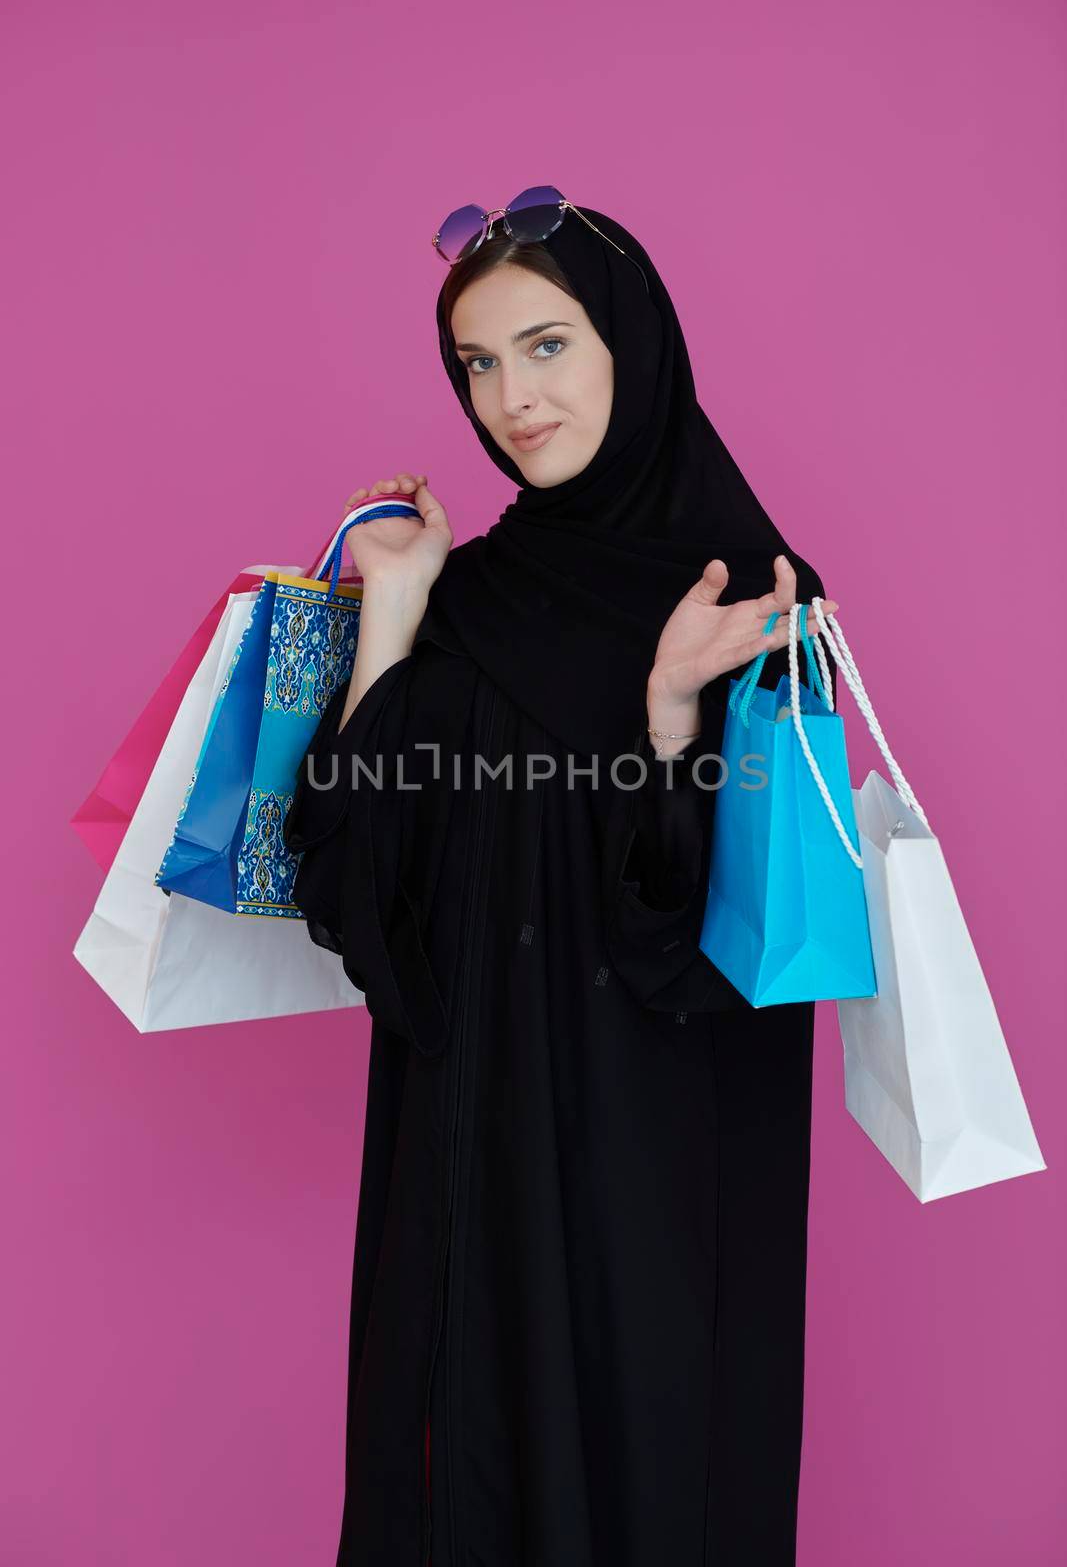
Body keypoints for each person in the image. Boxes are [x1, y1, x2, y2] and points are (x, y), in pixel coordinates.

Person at [283, 196, 840, 1567]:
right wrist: (398, 617)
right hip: (467, 1157)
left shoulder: (754, 603)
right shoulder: (467, 598)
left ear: (630, 343)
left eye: (546, 345)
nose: (513, 399)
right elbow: (353, 886)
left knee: (647, 1478)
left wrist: (664, 709)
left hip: (654, 1168)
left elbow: (710, 957)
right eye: (478, 364)